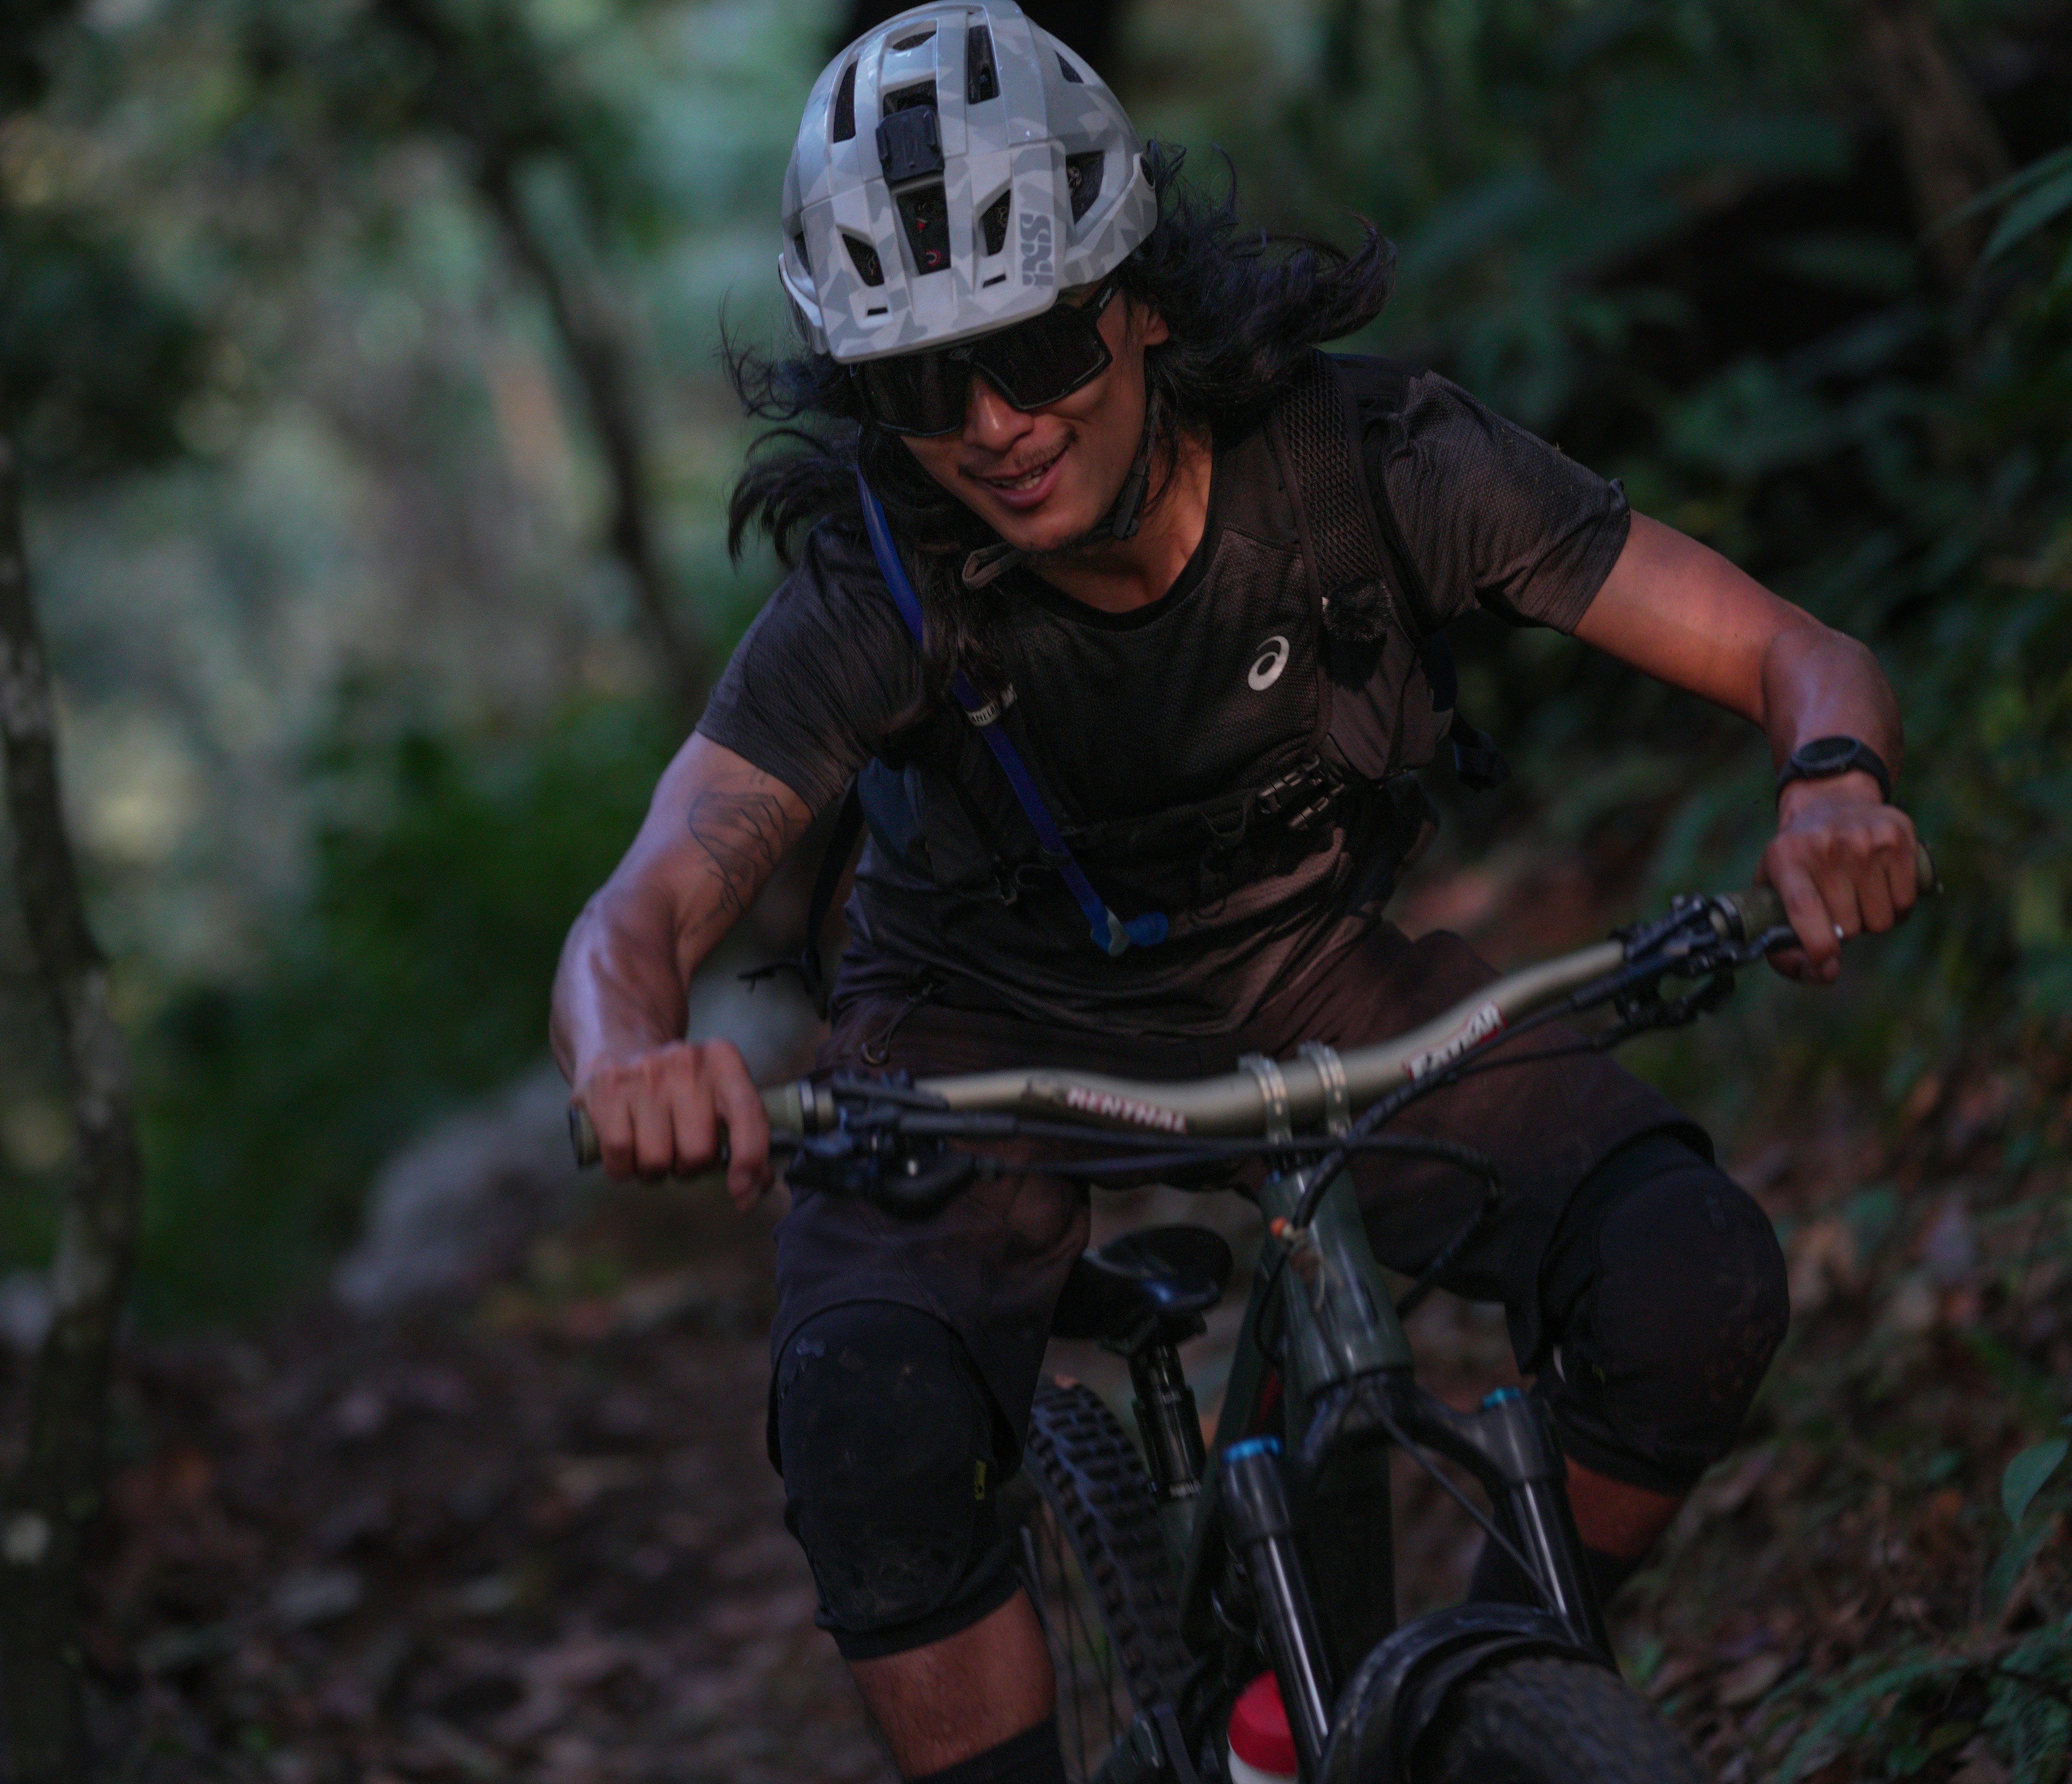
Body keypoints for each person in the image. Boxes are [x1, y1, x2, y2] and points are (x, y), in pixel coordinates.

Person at [551, 7, 1919, 1780]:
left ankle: (1483, 1705)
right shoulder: (878, 589)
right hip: (975, 1030)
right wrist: (626, 1056)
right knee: (868, 1414)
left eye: (1038, 346)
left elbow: (1793, 655)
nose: (990, 426)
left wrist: (1831, 787)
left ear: (1142, 300)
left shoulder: (1376, 465)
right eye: (918, 384)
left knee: (1689, 1279)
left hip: (1307, 975)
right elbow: (644, 910)